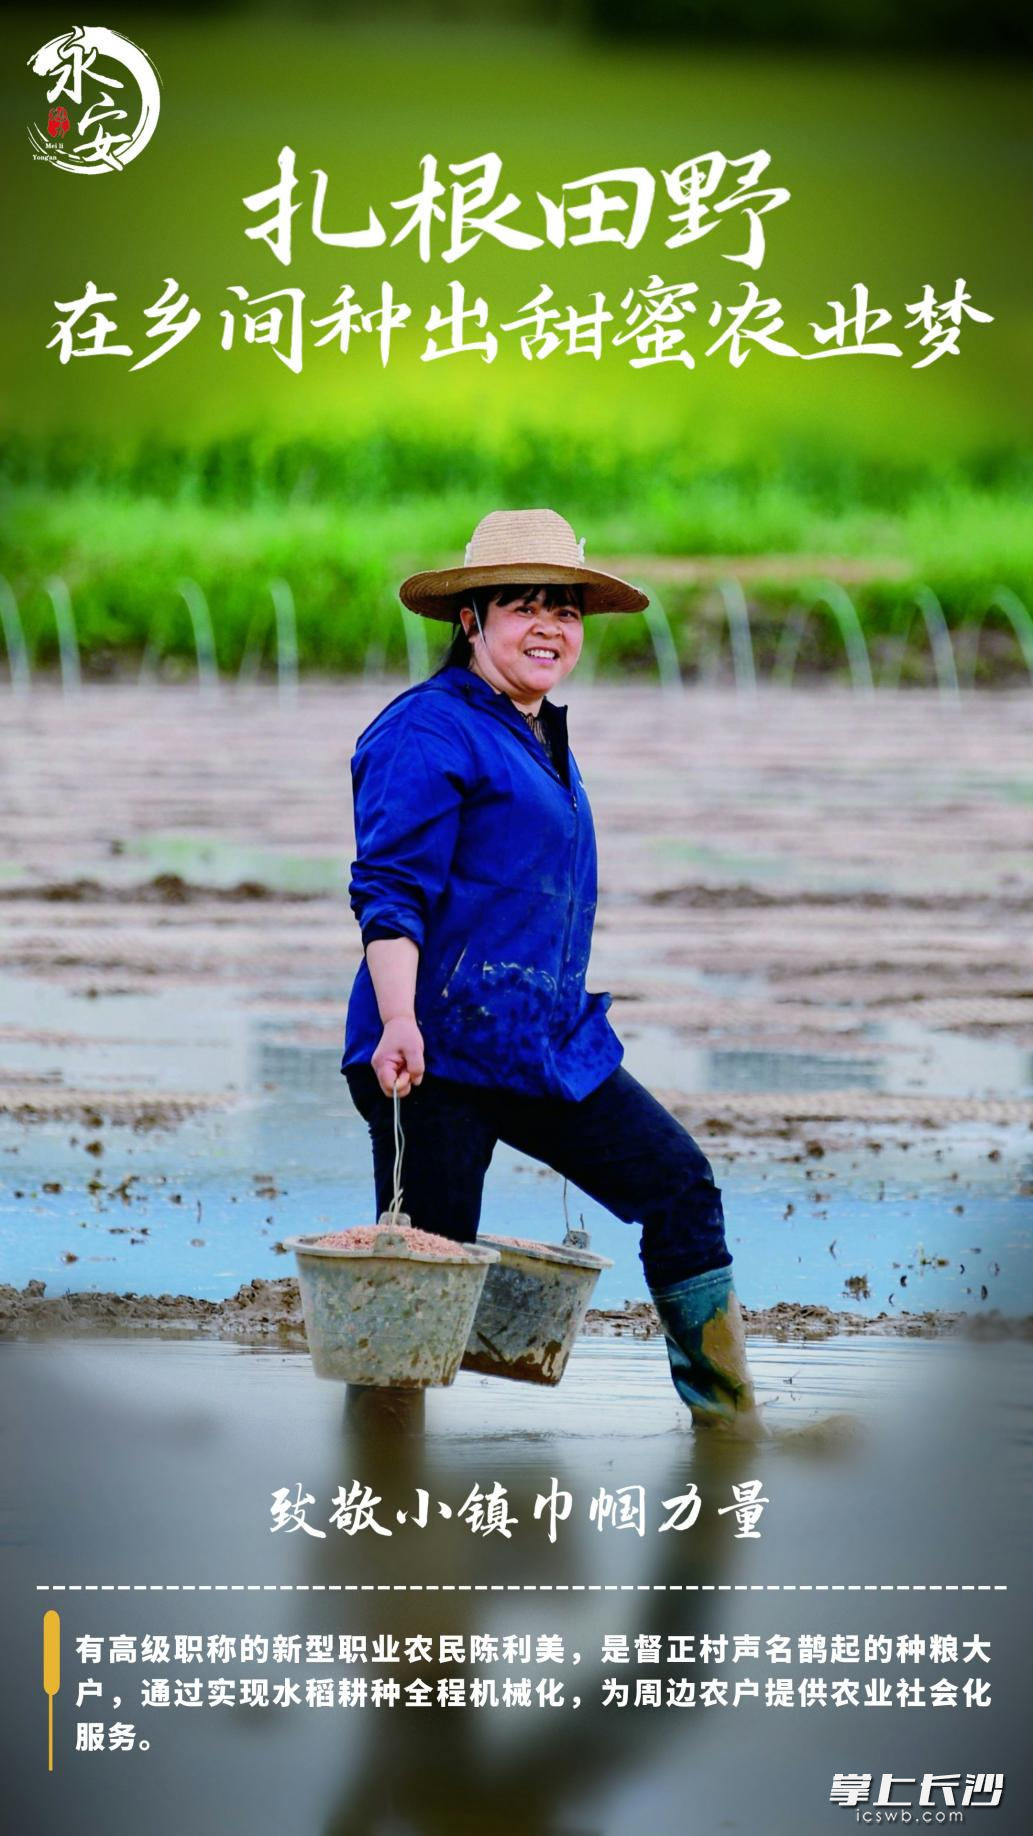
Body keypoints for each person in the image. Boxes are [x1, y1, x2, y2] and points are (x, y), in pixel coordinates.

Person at [341, 509, 762, 1433]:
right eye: (522, 606)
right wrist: (399, 1020)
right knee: (418, 1296)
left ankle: (729, 1426)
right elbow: (389, 892)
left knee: (678, 1186)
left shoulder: (536, 733)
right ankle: (378, 1497)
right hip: (437, 1053)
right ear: (471, 620)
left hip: (541, 1046)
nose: (548, 628)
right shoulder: (426, 731)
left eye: (564, 610)